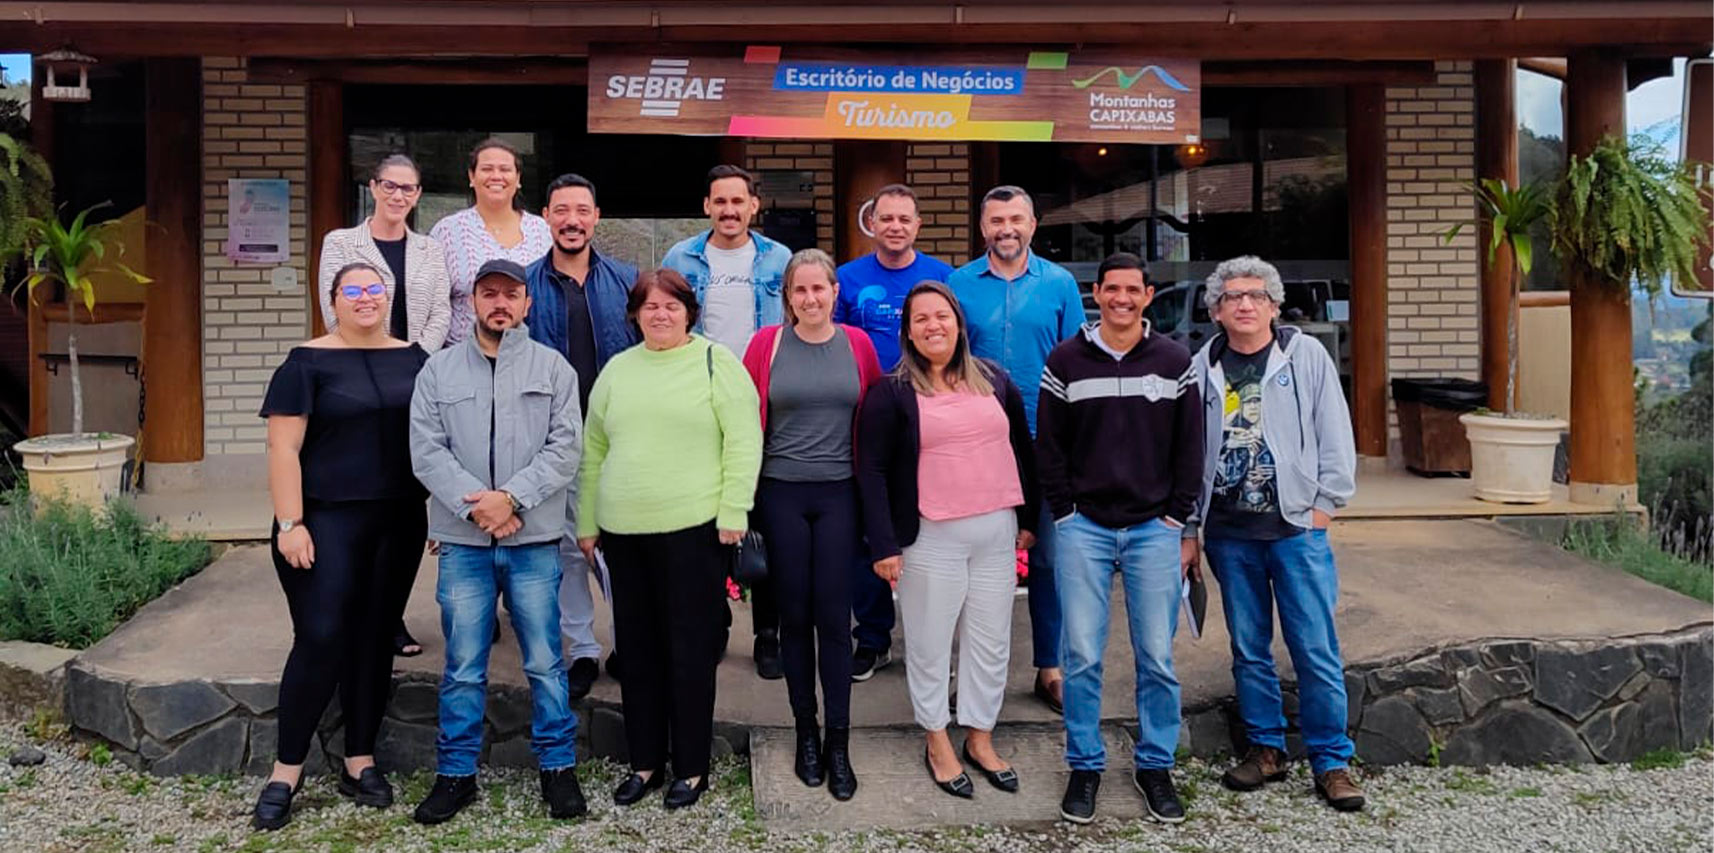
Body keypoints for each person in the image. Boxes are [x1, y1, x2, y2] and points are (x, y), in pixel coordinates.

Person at [575, 269, 762, 810]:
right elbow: (594, 452)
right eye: (649, 306)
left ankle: (693, 766)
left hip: (694, 530)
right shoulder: (617, 370)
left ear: (689, 311)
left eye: (671, 305)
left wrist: (734, 510)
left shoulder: (715, 362)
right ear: (634, 315)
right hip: (623, 534)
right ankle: (645, 761)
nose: (660, 314)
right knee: (637, 652)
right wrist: (587, 523)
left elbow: (743, 441)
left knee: (689, 650)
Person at [407, 259, 585, 825]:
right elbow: (426, 451)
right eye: (489, 294)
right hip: (463, 542)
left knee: (544, 662)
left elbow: (565, 449)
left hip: (532, 539)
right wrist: (481, 505)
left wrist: (511, 498)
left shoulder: (554, 369)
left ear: (527, 304)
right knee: (462, 665)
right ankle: (455, 775)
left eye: (512, 294)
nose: (500, 303)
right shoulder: (437, 371)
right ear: (473, 303)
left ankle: (558, 770)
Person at [252, 262, 429, 831]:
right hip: (323, 520)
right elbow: (283, 450)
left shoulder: (415, 358)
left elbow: (436, 437)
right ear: (333, 301)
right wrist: (290, 522)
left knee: (375, 636)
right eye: (352, 290)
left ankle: (360, 759)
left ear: (389, 298)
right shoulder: (306, 361)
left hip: (399, 519)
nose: (365, 298)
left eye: (374, 289)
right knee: (322, 636)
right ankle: (286, 770)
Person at [1189, 255, 1364, 812]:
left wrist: (1325, 504)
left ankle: (1332, 759)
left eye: (1256, 295)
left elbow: (1333, 427)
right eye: (1233, 296)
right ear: (1216, 310)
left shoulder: (1303, 354)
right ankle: (1265, 748)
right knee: (1248, 647)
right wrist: (1193, 523)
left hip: (1294, 527)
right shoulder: (1202, 366)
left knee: (1314, 646)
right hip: (1229, 531)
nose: (1245, 304)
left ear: (1272, 305)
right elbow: (1192, 451)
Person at [1036, 253, 1204, 825]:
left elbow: (1190, 447)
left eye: (1133, 290)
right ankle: (1085, 763)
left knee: (1156, 656)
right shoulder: (1065, 361)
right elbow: (1050, 447)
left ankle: (1155, 764)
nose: (1122, 299)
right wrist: (1063, 512)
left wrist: (1177, 517)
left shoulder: (1174, 360)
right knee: (1081, 655)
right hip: (1084, 528)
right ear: (1097, 292)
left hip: (1153, 529)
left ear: (1148, 295)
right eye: (1112, 289)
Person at [855, 281, 1038, 800]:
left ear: (959, 322)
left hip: (996, 531)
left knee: (989, 641)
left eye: (942, 316)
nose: (934, 326)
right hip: (930, 535)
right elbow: (870, 470)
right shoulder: (891, 393)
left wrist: (1028, 517)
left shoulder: (996, 380)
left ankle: (980, 736)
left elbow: (1022, 449)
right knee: (931, 643)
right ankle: (937, 740)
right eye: (921, 319)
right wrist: (884, 545)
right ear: (908, 331)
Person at [740, 249, 883, 801]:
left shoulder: (859, 344)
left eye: (819, 289)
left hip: (841, 493)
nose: (811, 299)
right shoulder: (766, 345)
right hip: (780, 491)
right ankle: (806, 733)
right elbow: (746, 417)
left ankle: (839, 743)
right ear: (788, 297)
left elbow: (874, 418)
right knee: (794, 614)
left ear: (834, 292)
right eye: (800, 291)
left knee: (833, 615)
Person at [949, 184, 1085, 716]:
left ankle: (1050, 668)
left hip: (1047, 439)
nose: (1007, 228)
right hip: (978, 443)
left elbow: (1078, 361)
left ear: (1033, 224)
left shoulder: (1060, 284)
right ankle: (974, 675)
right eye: (996, 220)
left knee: (1051, 559)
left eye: (1016, 219)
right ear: (982, 228)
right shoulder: (959, 283)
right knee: (977, 562)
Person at [317, 152, 452, 658]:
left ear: (418, 195)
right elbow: (335, 309)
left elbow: (440, 310)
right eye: (390, 186)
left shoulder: (429, 249)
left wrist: (416, 358)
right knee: (360, 492)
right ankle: (356, 610)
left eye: (409, 189)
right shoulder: (341, 243)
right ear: (373, 188)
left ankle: (390, 615)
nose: (399, 196)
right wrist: (367, 359)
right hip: (353, 380)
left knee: (403, 499)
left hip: (413, 378)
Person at [660, 163, 791, 679]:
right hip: (701, 401)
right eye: (720, 201)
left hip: (765, 401)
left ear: (754, 206)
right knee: (705, 521)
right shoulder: (681, 257)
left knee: (762, 523)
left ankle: (768, 634)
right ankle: (713, 625)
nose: (730, 211)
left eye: (739, 201)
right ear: (707, 206)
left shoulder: (780, 259)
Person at [523, 172, 641, 700]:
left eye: (582, 211)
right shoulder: (524, 284)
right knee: (570, 552)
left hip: (618, 439)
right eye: (561, 210)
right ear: (546, 217)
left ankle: (631, 645)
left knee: (619, 549)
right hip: (551, 439)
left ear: (596, 218)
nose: (572, 221)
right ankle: (583, 651)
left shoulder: (626, 280)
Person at [833, 183, 953, 682]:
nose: (896, 227)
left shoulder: (944, 277)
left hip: (932, 415)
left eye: (905, 218)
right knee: (870, 529)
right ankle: (875, 638)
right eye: (886, 218)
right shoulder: (847, 278)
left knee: (934, 527)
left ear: (918, 224)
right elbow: (833, 343)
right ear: (872, 224)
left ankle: (936, 643)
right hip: (866, 416)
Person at [431, 137, 554, 348]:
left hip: (530, 360)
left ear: (518, 178)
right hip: (463, 360)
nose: (496, 176)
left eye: (505, 169)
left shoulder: (543, 231)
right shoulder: (447, 232)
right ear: (472, 176)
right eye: (487, 169)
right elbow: (433, 306)